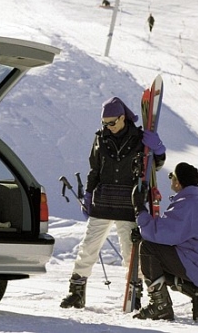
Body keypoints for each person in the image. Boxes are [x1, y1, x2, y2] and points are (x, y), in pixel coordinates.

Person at [60, 96, 166, 309]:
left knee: (130, 252)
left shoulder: (140, 138)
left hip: (130, 203)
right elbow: (94, 170)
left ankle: (134, 293)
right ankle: (76, 292)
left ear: (123, 117)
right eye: (105, 122)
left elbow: (156, 167)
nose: (109, 126)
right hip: (103, 201)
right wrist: (89, 194)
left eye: (112, 122)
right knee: (88, 247)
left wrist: (159, 149)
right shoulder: (100, 138)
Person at [132, 162, 198, 322]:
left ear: (178, 182)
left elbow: (160, 233)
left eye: (171, 176)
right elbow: (171, 234)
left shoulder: (187, 206)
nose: (170, 180)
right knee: (158, 265)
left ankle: (160, 306)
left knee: (149, 249)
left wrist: (139, 209)